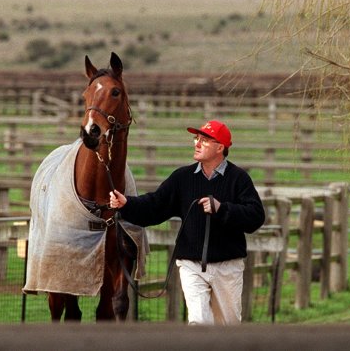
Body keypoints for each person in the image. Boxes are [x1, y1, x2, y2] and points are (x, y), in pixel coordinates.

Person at [109, 119, 265, 325]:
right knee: (198, 323)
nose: (197, 143)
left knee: (228, 327)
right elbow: (155, 205)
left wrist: (222, 209)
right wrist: (126, 204)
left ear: (220, 148)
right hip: (191, 264)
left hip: (228, 266)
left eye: (204, 140)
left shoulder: (239, 179)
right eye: (196, 138)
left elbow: (256, 216)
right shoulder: (182, 178)